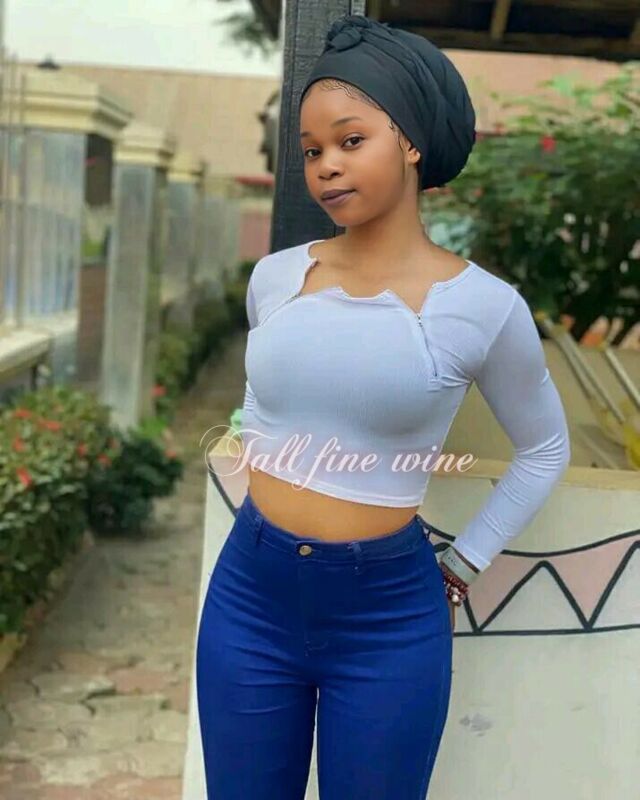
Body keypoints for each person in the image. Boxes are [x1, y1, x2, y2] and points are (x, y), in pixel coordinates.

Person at [196, 13, 571, 800]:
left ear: (410, 142)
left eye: (350, 140)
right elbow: (266, 404)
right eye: (311, 151)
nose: (326, 166)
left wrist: (464, 564)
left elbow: (545, 448)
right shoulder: (275, 278)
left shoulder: (484, 307)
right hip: (250, 594)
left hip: (388, 619)